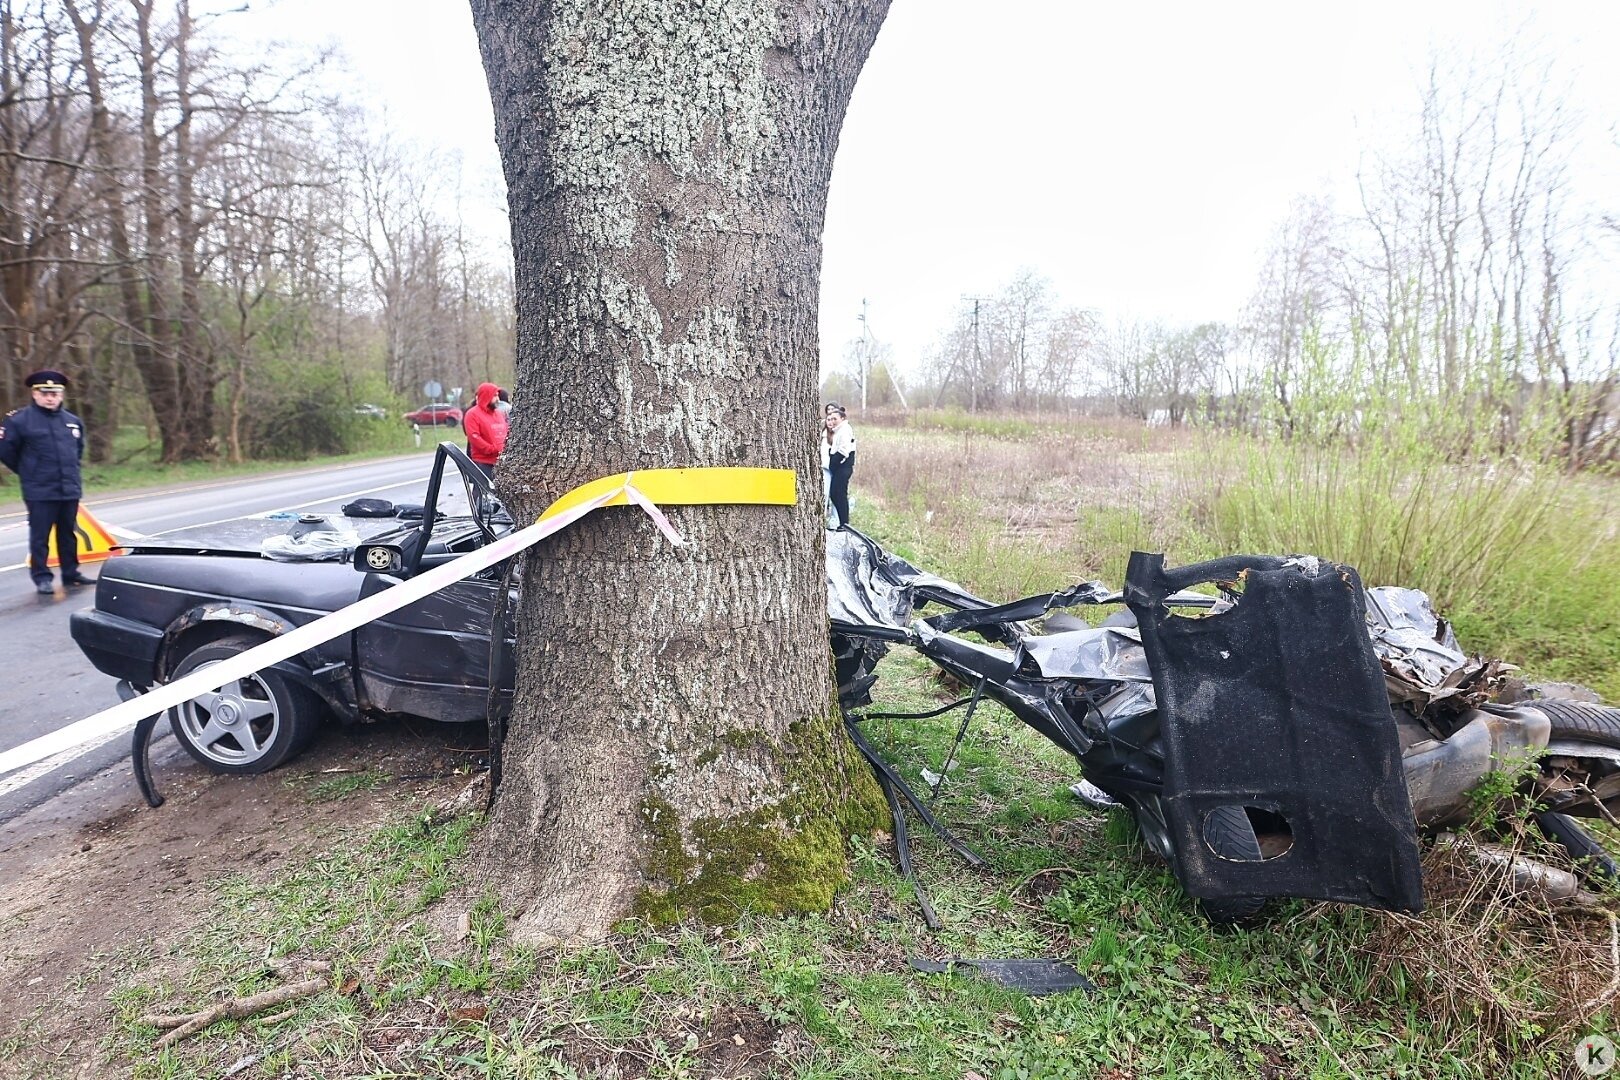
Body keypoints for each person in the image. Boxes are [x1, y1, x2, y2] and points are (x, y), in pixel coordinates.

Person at [0, 369, 93, 594]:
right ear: (34, 394)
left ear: (61, 394)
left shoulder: (72, 421)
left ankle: (71, 573)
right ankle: (42, 577)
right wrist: (28, 471)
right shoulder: (19, 421)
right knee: (40, 536)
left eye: (54, 393)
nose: (49, 397)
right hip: (39, 489)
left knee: (68, 534)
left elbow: (77, 452)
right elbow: (6, 451)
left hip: (68, 488)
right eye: (44, 393)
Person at [463, 381, 509, 480]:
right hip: (483, 462)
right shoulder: (473, 414)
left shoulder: (498, 413)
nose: (498, 399)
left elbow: (505, 432)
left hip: (500, 461)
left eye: (498, 396)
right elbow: (474, 437)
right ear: (486, 396)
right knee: (483, 492)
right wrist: (491, 449)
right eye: (495, 396)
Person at [824, 403, 856, 528]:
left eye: (835, 419)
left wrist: (834, 463)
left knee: (839, 494)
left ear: (842, 419)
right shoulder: (839, 431)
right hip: (840, 466)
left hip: (843, 466)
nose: (832, 421)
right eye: (830, 419)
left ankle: (844, 523)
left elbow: (844, 450)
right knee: (835, 494)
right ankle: (843, 523)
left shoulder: (845, 430)